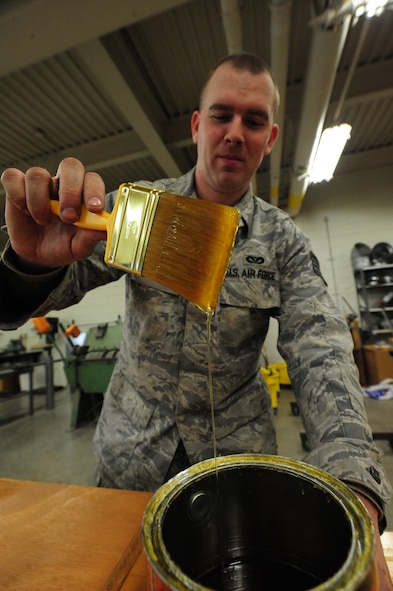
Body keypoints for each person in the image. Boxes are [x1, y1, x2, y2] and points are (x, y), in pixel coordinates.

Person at [1, 52, 392, 587]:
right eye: (221, 115)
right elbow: (60, 285)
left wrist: (357, 486)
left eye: (253, 121)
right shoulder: (136, 209)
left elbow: (320, 347)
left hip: (237, 473)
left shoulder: (284, 243)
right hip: (129, 463)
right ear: (196, 125)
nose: (235, 132)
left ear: (270, 138)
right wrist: (28, 265)